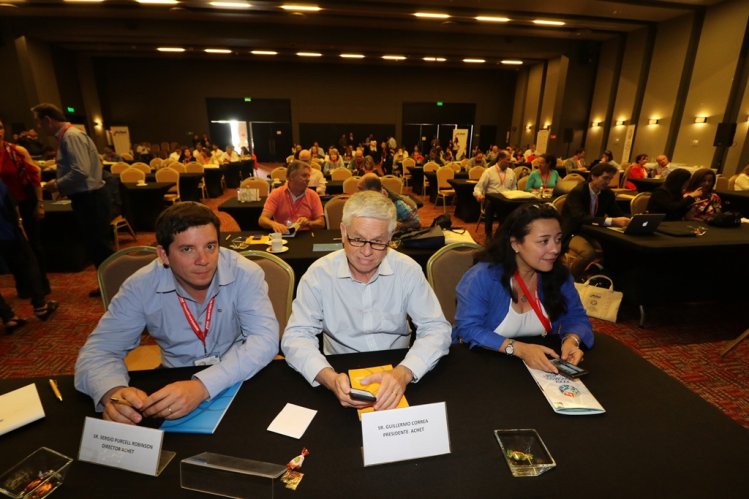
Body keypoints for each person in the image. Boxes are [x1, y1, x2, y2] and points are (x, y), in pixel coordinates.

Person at [74, 202, 279, 424]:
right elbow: (98, 352)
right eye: (187, 249)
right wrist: (112, 391)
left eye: (211, 246)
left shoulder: (245, 273)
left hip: (239, 372)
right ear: (163, 254)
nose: (203, 260)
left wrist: (202, 386)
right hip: (174, 375)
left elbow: (264, 340)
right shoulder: (140, 286)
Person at [281, 191, 451, 411]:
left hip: (399, 365)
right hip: (340, 369)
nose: (367, 252)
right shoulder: (319, 274)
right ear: (343, 232)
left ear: (390, 238)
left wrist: (404, 372)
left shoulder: (407, 270)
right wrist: (329, 378)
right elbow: (296, 336)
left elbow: (436, 328)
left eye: (378, 242)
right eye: (358, 239)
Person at [454, 203, 592, 370]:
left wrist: (572, 340)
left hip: (536, 367)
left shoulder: (559, 275)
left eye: (558, 239)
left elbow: (577, 317)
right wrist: (520, 349)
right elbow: (468, 329)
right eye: (544, 241)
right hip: (483, 364)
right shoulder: (483, 277)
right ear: (515, 244)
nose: (555, 249)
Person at [32, 103, 114, 296]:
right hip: (88, 197)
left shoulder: (71, 137)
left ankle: (114, 287)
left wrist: (57, 184)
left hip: (90, 198)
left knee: (100, 246)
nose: (38, 128)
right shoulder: (70, 136)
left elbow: (80, 171)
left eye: (39, 123)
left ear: (48, 120)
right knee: (97, 246)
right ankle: (110, 285)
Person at [0, 118, 50, 296]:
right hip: (4, 209)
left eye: (0, 127)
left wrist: (40, 204)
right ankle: (23, 286)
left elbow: (35, 176)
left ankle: (41, 285)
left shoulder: (15, 151)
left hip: (26, 203)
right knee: (12, 249)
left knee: (33, 245)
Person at [0, 179, 58, 328]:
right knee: (28, 263)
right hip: (7, 232)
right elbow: (10, 206)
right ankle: (41, 307)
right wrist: (19, 226)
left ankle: (8, 317)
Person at [561, 162, 630, 239]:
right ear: (593, 176)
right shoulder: (578, 192)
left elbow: (617, 214)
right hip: (574, 232)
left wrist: (628, 221)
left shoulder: (607, 193)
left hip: (595, 232)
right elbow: (580, 218)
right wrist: (612, 221)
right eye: (605, 178)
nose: (608, 182)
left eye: (610, 179)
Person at [258, 160, 325, 233]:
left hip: (305, 236)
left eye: (309, 176)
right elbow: (262, 219)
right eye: (304, 176)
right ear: (291, 177)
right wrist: (273, 224)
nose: (308, 179)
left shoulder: (313, 195)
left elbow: (321, 223)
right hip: (283, 237)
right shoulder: (276, 193)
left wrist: (308, 223)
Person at [474, 151, 517, 238]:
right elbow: (478, 187)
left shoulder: (511, 172)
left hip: (506, 200)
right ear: (500, 159)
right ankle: (488, 234)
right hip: (492, 199)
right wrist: (478, 195)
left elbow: (514, 189)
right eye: (508, 160)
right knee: (490, 205)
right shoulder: (489, 172)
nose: (510, 162)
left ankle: (502, 233)